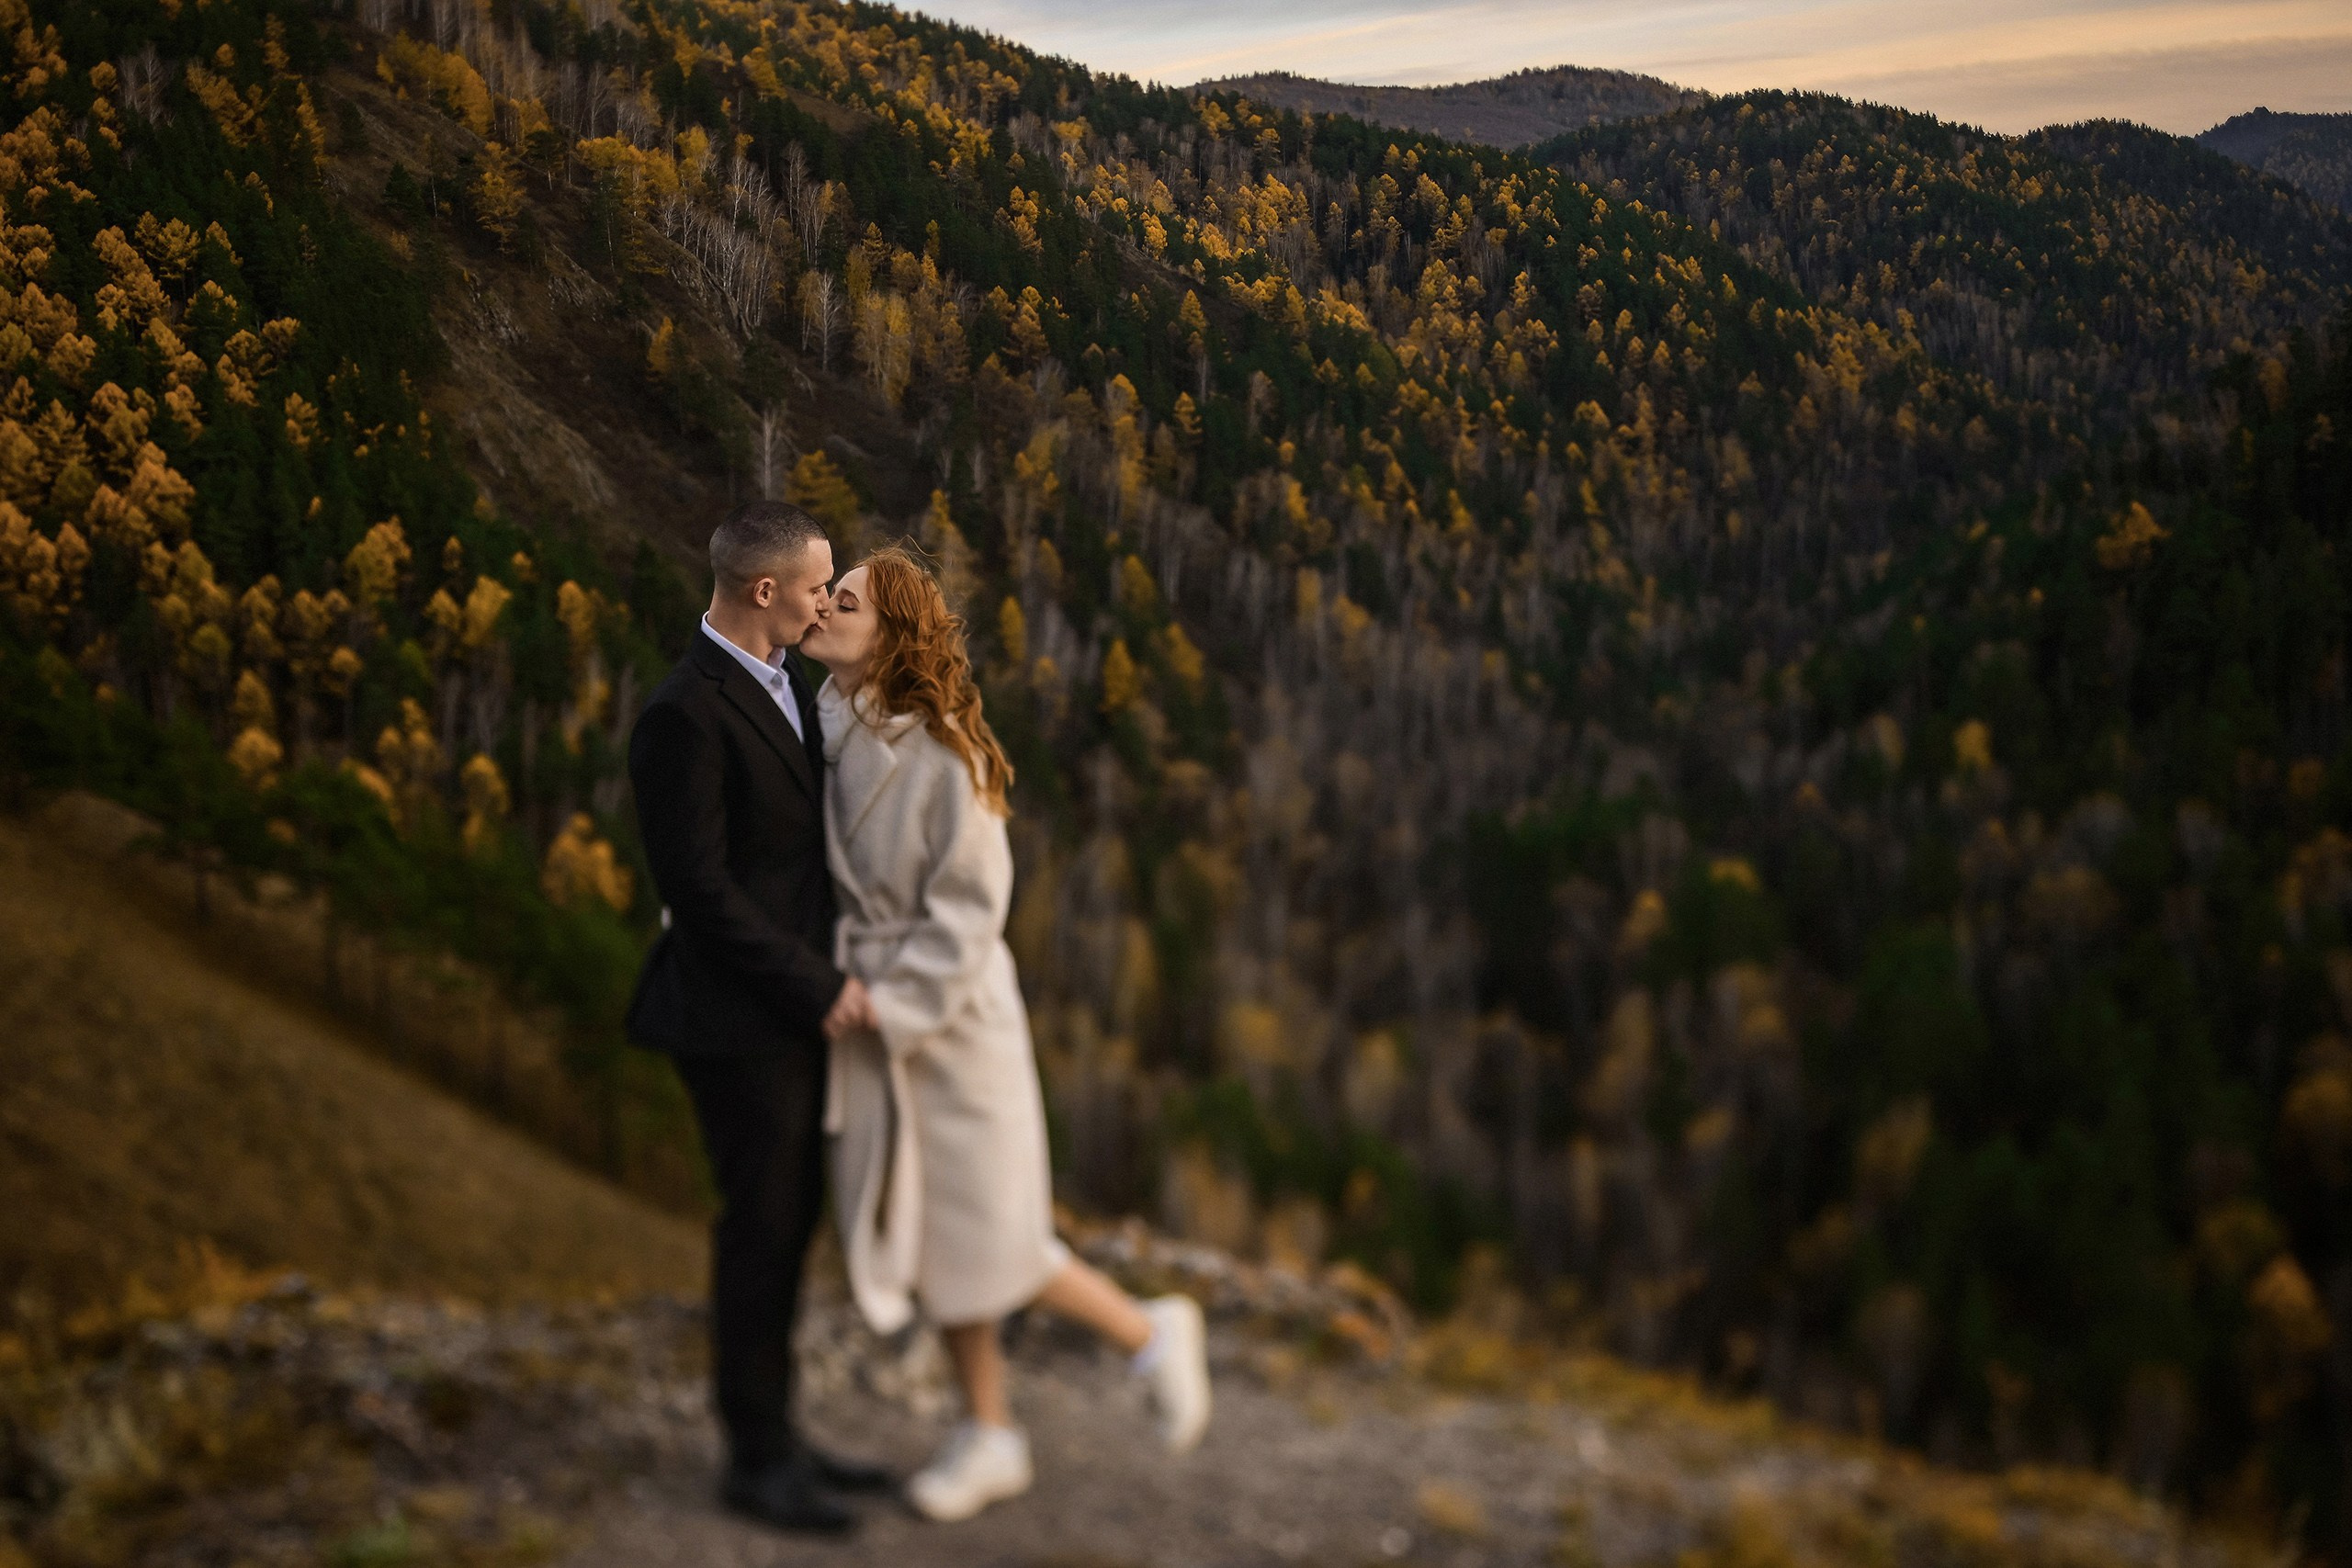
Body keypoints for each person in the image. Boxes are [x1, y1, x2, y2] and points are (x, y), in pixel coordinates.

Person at [798, 545, 1212, 1524]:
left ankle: (1146, 1334)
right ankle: (994, 1430)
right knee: (937, 1242)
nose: (822, 607)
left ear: (892, 633)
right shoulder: (821, 717)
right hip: (871, 1006)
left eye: (843, 599)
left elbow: (969, 917)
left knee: (994, 1236)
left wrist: (888, 1006)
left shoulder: (947, 753)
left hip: (948, 1022)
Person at [626, 500, 893, 1536]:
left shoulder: (785, 687)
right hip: (737, 1020)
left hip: (785, 1013)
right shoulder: (682, 713)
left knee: (790, 1227)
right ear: (764, 590)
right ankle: (756, 1458)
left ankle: (782, 1433)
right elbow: (698, 892)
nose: (830, 597)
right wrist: (814, 985)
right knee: (761, 1231)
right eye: (820, 581)